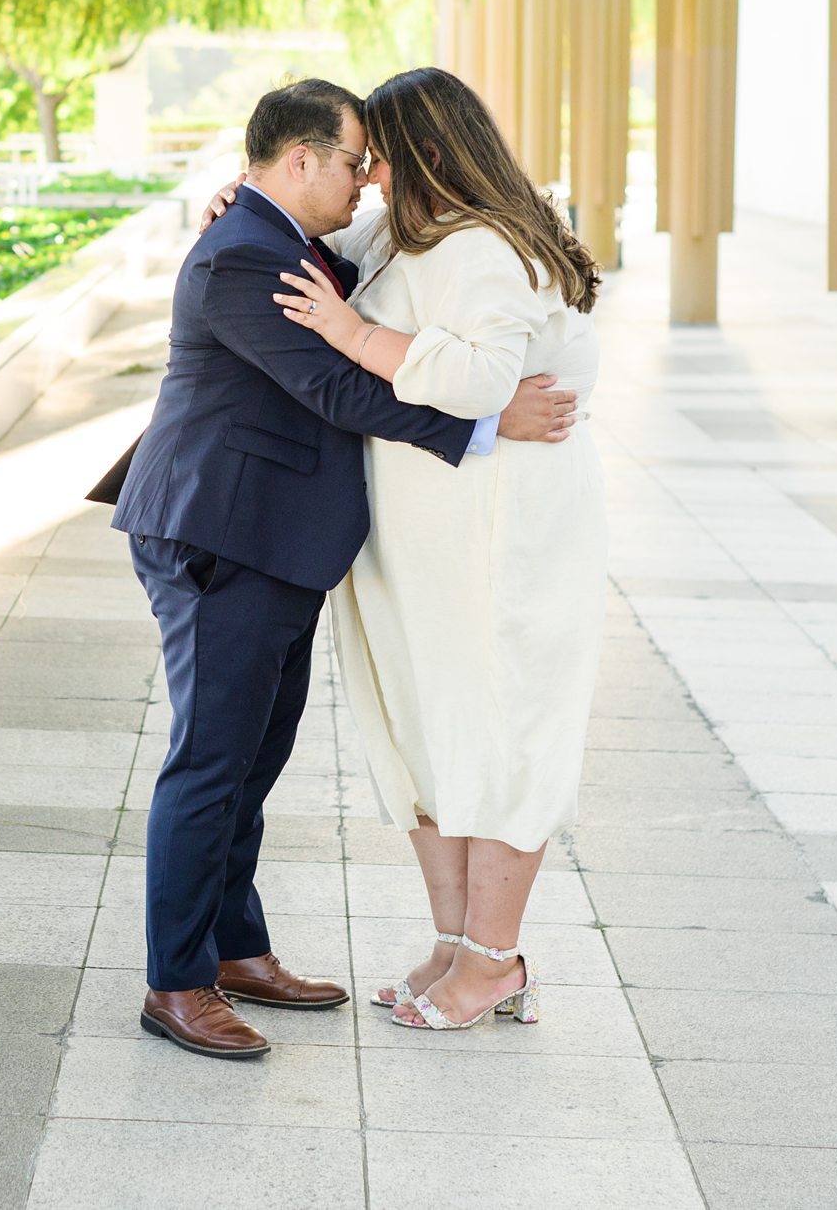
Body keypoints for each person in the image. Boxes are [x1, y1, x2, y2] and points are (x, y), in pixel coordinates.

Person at [96, 78, 578, 1060]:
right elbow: (332, 384)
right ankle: (177, 981)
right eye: (356, 161)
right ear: (300, 160)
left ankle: (235, 949)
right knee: (210, 762)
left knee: (251, 759)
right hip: (223, 536)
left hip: (276, 543)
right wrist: (486, 422)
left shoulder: (301, 242)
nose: (368, 179)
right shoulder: (245, 257)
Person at [260, 66, 605, 1032]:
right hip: (425, 545)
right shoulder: (416, 231)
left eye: (378, 158)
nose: (366, 178)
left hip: (497, 544)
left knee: (496, 734)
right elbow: (322, 227)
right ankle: (457, 945)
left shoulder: (490, 244)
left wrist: (353, 332)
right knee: (431, 733)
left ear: (430, 154)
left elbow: (480, 373)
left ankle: (495, 960)